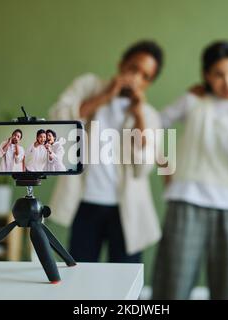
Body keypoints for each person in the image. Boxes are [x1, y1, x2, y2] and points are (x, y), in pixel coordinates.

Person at [48, 40, 164, 263]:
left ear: (149, 83)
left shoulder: (149, 116)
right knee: (79, 273)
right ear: (121, 64)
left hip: (127, 209)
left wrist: (138, 114)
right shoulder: (88, 85)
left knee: (126, 275)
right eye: (133, 68)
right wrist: (106, 96)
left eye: (145, 76)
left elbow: (142, 169)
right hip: (85, 203)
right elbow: (57, 121)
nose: (136, 78)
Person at [152, 41, 228, 300]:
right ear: (206, 75)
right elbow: (153, 126)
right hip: (186, 198)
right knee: (173, 282)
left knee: (227, 286)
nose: (227, 81)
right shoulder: (192, 100)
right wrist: (166, 169)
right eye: (219, 73)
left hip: (227, 203)